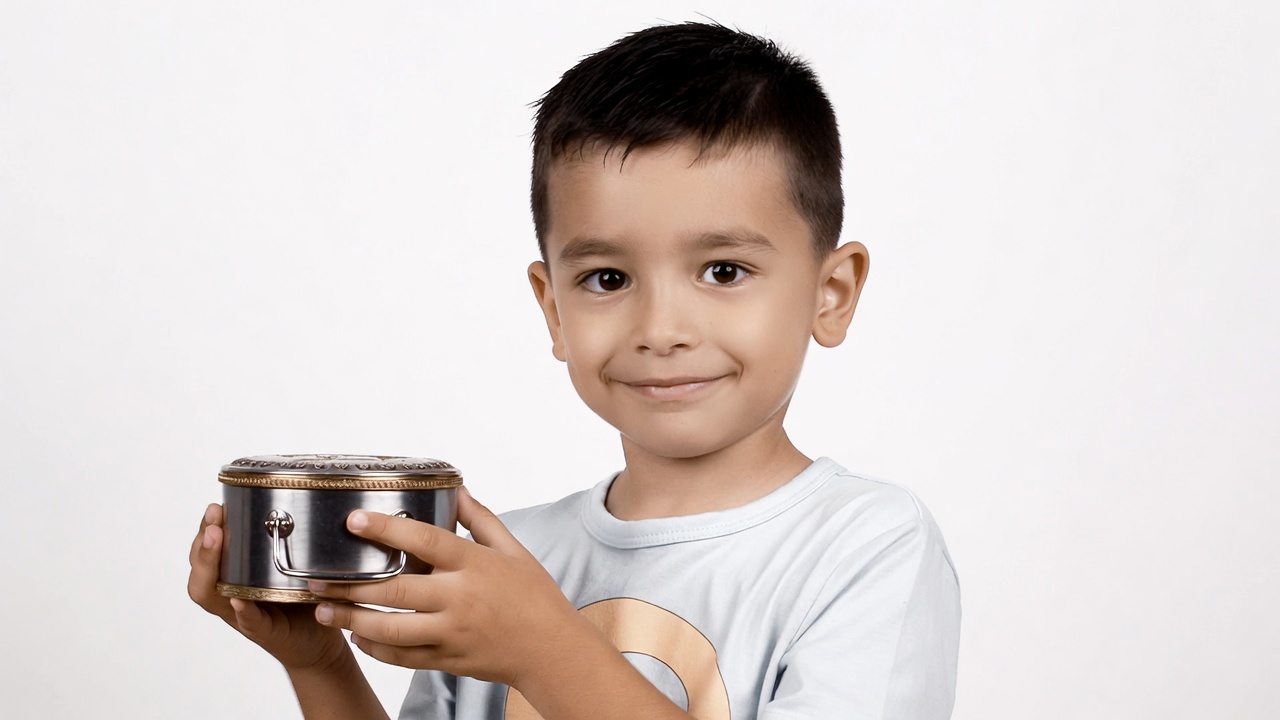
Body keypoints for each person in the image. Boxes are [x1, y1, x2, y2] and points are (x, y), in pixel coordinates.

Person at [188, 21, 960, 720]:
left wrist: (542, 648)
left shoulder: (865, 546)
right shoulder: (509, 559)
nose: (661, 330)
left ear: (832, 294)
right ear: (553, 308)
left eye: (723, 271)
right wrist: (320, 665)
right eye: (607, 279)